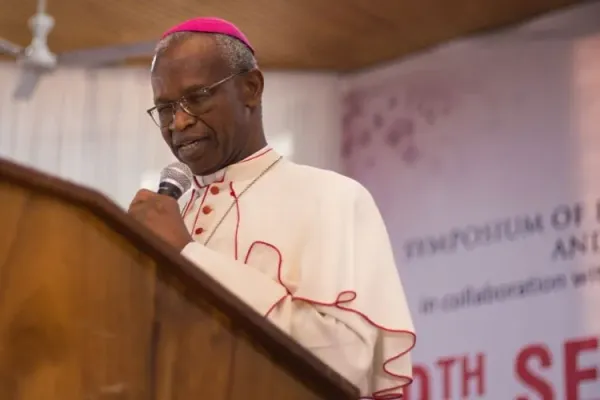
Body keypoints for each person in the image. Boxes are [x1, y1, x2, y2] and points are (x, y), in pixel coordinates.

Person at [128, 17, 416, 399]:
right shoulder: (170, 217)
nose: (178, 122)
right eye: (164, 108)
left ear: (250, 88)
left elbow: (344, 363)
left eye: (196, 98)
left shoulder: (331, 197)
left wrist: (190, 256)